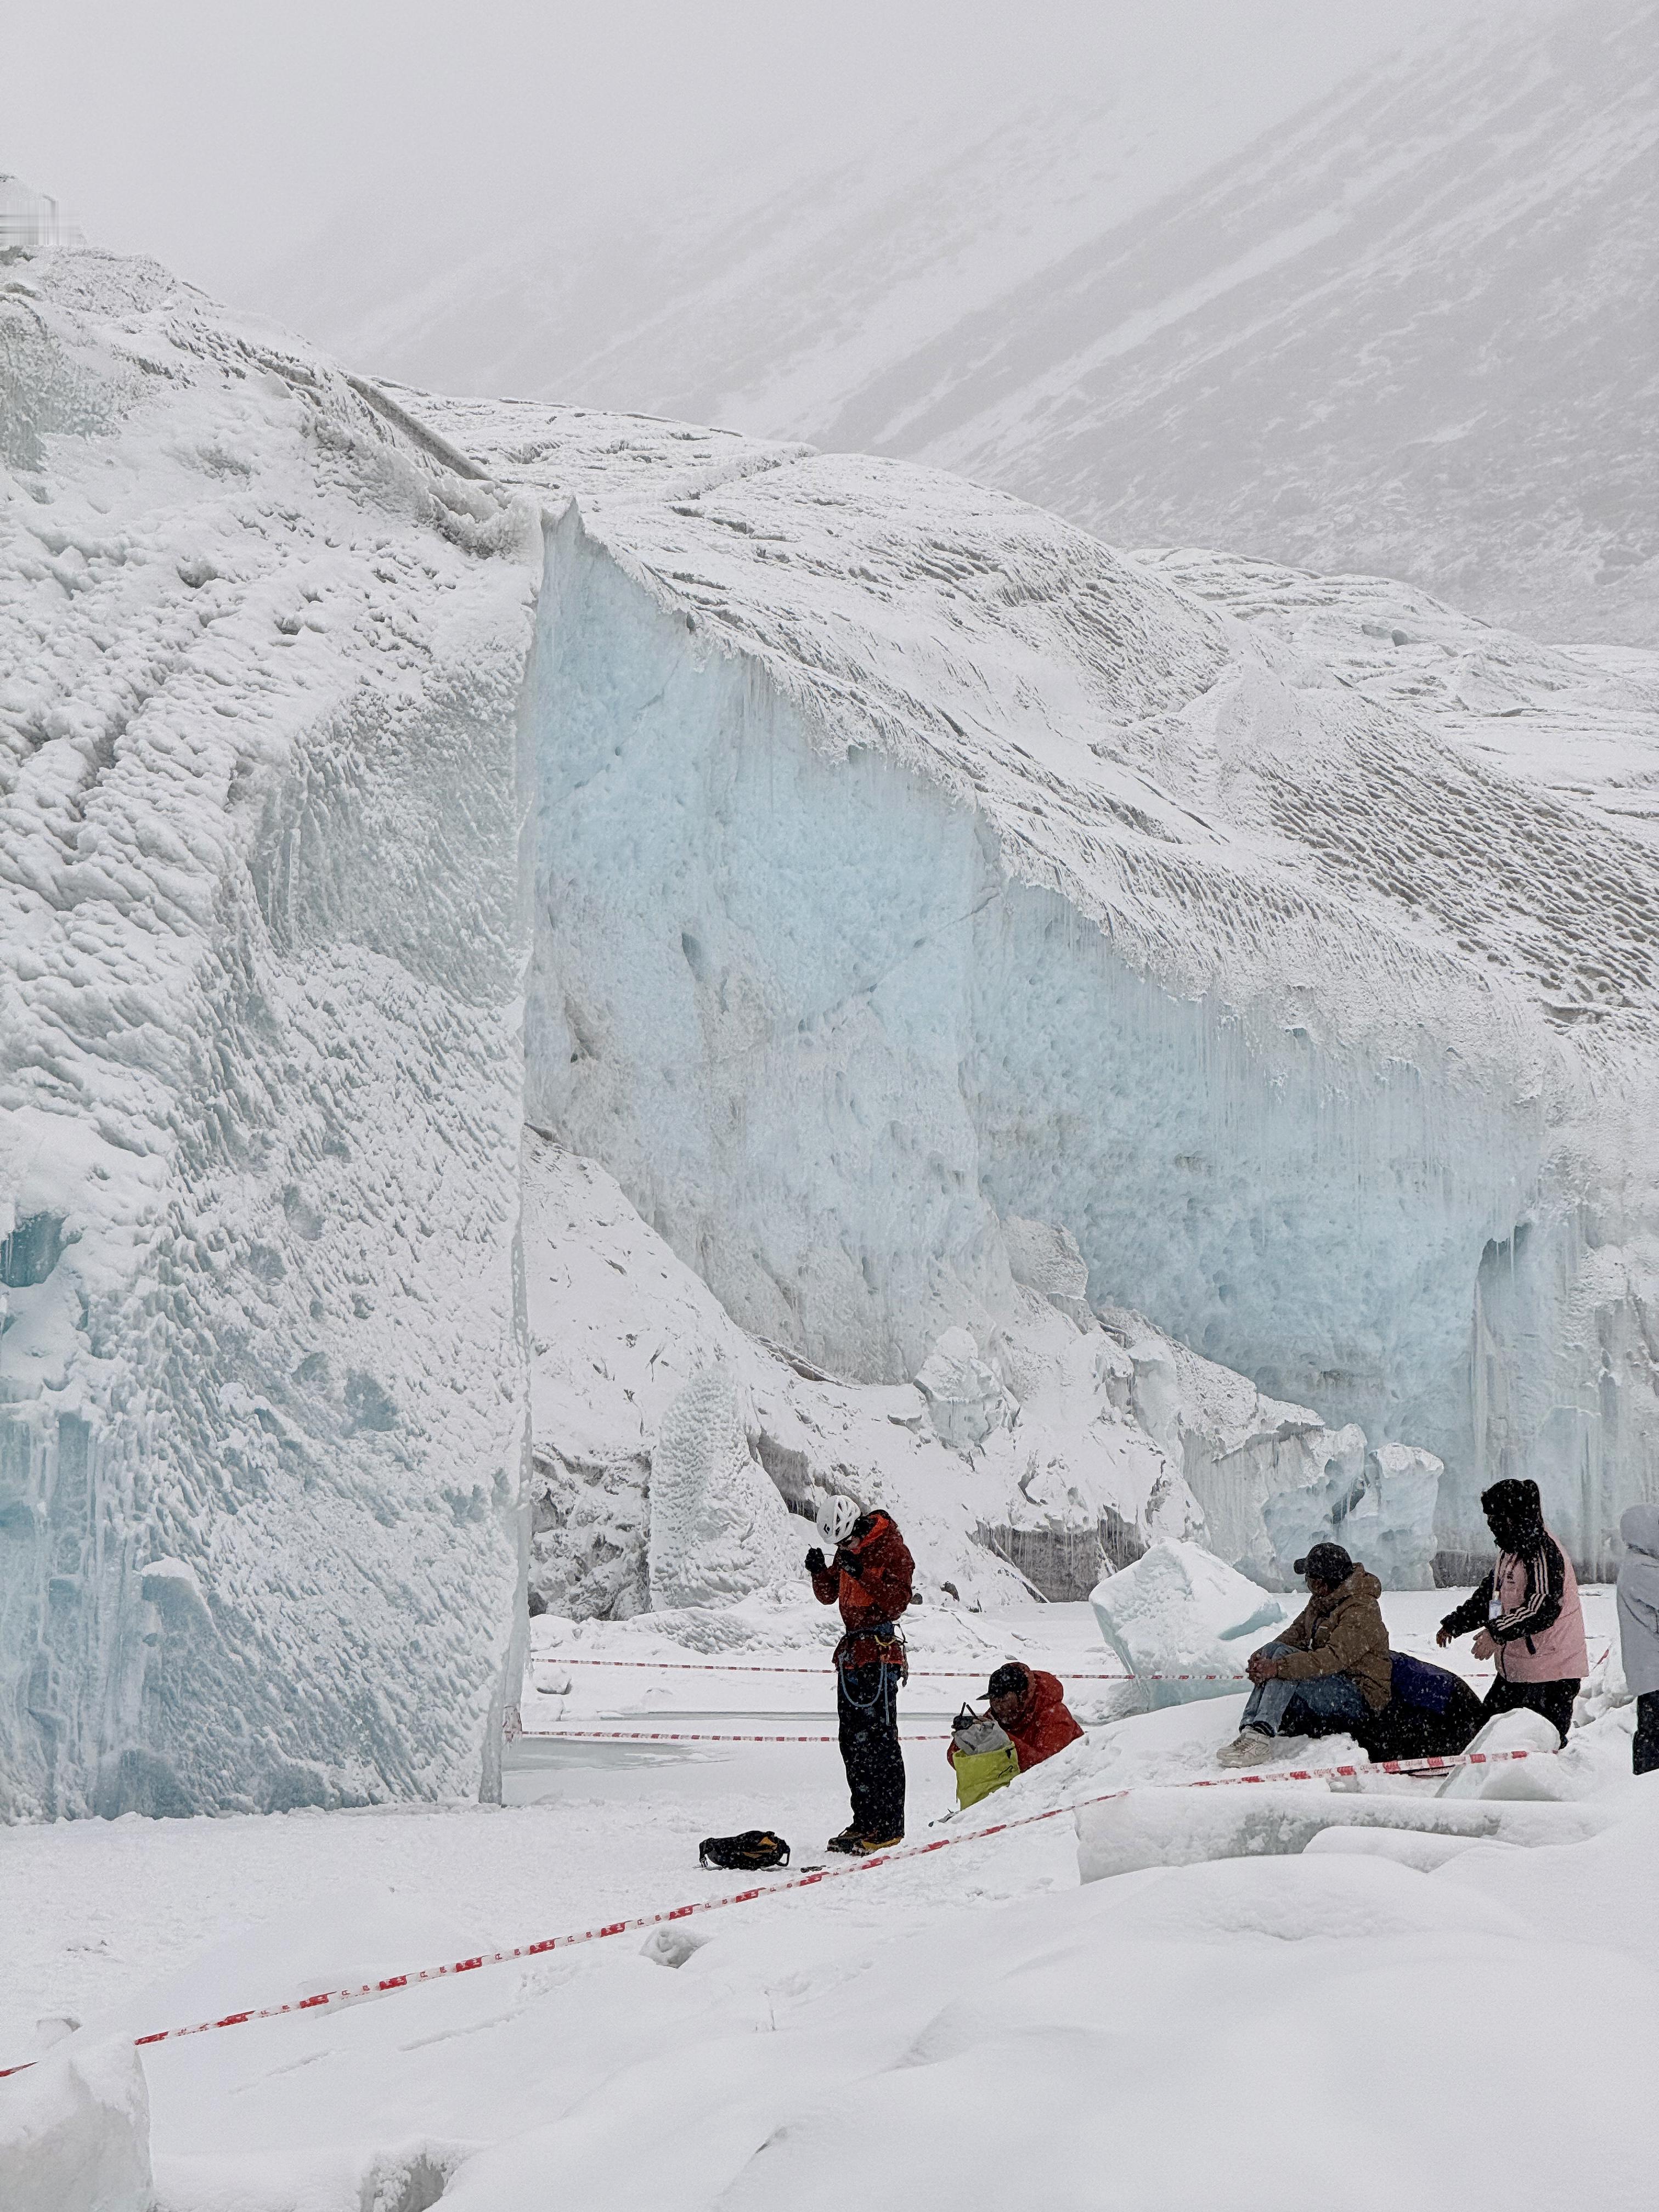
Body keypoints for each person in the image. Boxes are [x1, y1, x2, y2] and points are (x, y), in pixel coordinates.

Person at [1436, 1478, 1586, 1744]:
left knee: (1538, 1745)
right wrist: (1456, 1623)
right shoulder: (1511, 1550)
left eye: (1496, 1519)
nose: (1492, 1527)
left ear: (1513, 1517)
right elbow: (1492, 1594)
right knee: (1489, 1736)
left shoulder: (1541, 1550)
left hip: (1551, 1673)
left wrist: (1496, 1633)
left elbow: (1542, 1607)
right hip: (1519, 1669)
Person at [1217, 1542, 1392, 1767]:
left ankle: (1260, 1737)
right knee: (1275, 1652)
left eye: (1308, 1578)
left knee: (1284, 1663)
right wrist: (1262, 1657)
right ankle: (1251, 1731)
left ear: (1321, 1583)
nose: (1307, 1583)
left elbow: (1331, 1658)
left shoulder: (1361, 1609)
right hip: (1334, 1684)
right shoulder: (1324, 1600)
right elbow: (1297, 1632)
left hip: (1359, 1697)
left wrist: (1279, 1667)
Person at [806, 1496, 914, 1854]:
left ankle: (888, 1826)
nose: (844, 1549)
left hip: (879, 1655)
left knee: (880, 1742)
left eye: (847, 1542)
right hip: (853, 1654)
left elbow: (897, 1602)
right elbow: (828, 1595)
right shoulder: (846, 1549)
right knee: (852, 1743)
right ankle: (865, 1821)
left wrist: (861, 1573)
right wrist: (819, 1572)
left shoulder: (891, 1548)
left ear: (860, 1527)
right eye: (839, 1546)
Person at [947, 1661, 1083, 1798]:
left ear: (1022, 1695)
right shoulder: (999, 1714)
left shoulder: (1054, 1716)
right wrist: (966, 1737)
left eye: (1003, 1699)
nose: (996, 1705)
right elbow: (956, 1761)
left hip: (1071, 1792)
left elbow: (1046, 1769)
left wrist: (1003, 1740)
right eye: (993, 1699)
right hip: (1021, 1795)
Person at [1615, 1503, 1659, 1776]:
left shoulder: (1640, 1566)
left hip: (1649, 1669)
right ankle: (1646, 1786)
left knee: (1651, 1729)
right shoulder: (1641, 1570)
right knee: (1653, 1734)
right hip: (1652, 1669)